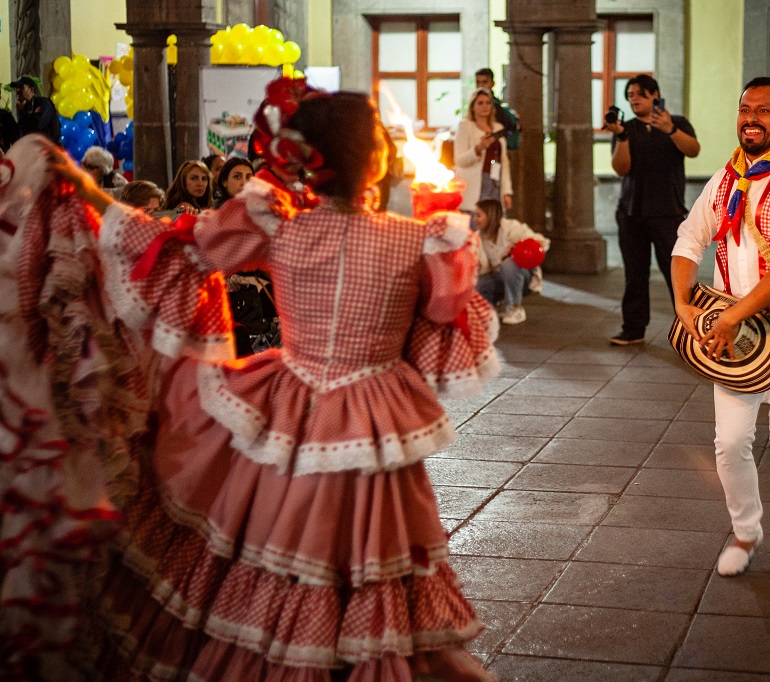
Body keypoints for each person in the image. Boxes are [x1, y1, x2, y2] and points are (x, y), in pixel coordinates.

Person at [46, 81, 500, 680]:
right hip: (375, 422)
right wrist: (432, 226)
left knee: (275, 551)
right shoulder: (421, 239)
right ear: (380, 159)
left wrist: (81, 190)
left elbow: (171, 246)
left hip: (286, 413)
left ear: (301, 159)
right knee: (371, 560)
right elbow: (446, 314)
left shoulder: (277, 226)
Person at [671, 77, 770, 584]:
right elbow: (688, 240)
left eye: (763, 110)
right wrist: (681, 303)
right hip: (735, 342)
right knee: (730, 444)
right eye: (745, 109)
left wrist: (732, 315)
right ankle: (745, 533)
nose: (751, 118)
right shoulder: (725, 177)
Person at [605, 74, 699, 346]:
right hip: (631, 213)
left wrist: (670, 129)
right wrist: (621, 136)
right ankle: (633, 328)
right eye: (630, 94)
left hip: (667, 213)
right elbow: (621, 169)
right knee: (635, 274)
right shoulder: (626, 129)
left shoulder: (677, 123)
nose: (634, 98)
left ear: (655, 95)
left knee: (677, 275)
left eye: (640, 94)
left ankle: (691, 329)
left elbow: (693, 150)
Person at [214, 156, 277, 357]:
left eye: (249, 176)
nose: (244, 182)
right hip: (236, 294)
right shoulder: (218, 215)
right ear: (225, 182)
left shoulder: (259, 211)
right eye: (237, 176)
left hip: (263, 289)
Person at [473, 198, 550, 325]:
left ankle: (515, 308)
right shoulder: (477, 238)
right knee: (477, 284)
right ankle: (491, 309)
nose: (474, 219)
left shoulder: (511, 227)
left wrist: (518, 250)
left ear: (490, 216)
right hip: (499, 276)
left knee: (509, 264)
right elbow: (482, 268)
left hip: (522, 277)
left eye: (478, 215)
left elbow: (542, 243)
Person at [454, 88, 512, 213]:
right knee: (477, 221)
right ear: (473, 106)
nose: (484, 106)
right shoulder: (465, 127)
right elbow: (459, 160)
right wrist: (478, 148)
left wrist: (506, 191)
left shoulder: (498, 128)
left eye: (488, 102)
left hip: (495, 179)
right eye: (480, 103)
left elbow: (504, 162)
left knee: (494, 219)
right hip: (476, 183)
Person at [474, 67, 520, 150]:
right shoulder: (473, 104)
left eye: (484, 82)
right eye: (478, 82)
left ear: (492, 83)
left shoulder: (497, 107)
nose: (481, 86)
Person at [9, 75, 60, 144]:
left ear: (31, 90)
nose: (17, 90)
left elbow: (37, 125)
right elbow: (21, 133)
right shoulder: (25, 107)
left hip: (48, 150)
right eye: (16, 87)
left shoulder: (43, 103)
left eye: (21, 87)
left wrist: (23, 113)